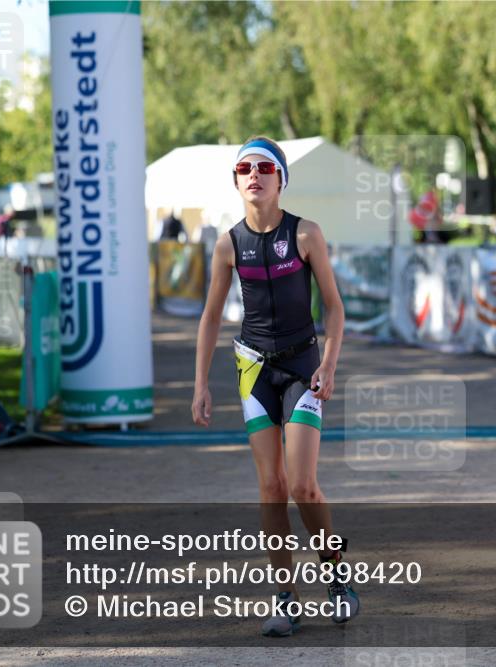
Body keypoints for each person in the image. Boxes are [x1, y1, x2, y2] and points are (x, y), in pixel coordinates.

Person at [191, 136, 358, 636]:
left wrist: (329, 363)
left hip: (303, 368)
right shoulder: (228, 244)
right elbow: (210, 316)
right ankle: (285, 598)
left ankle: (337, 579)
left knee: (303, 485)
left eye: (265, 167)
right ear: (237, 181)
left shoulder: (306, 234)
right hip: (253, 370)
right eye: (245, 168)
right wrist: (200, 384)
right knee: (271, 488)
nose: (254, 175)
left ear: (281, 179)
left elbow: (333, 306)